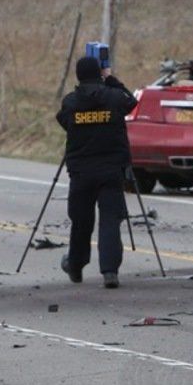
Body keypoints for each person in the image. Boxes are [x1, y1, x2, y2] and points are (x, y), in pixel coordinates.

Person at [56, 56, 137, 288]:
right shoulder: (113, 97)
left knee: (81, 221)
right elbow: (131, 102)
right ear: (99, 74)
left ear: (78, 76)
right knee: (110, 220)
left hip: (81, 172)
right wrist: (111, 79)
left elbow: (64, 122)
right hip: (111, 170)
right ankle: (110, 271)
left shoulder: (71, 102)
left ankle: (76, 265)